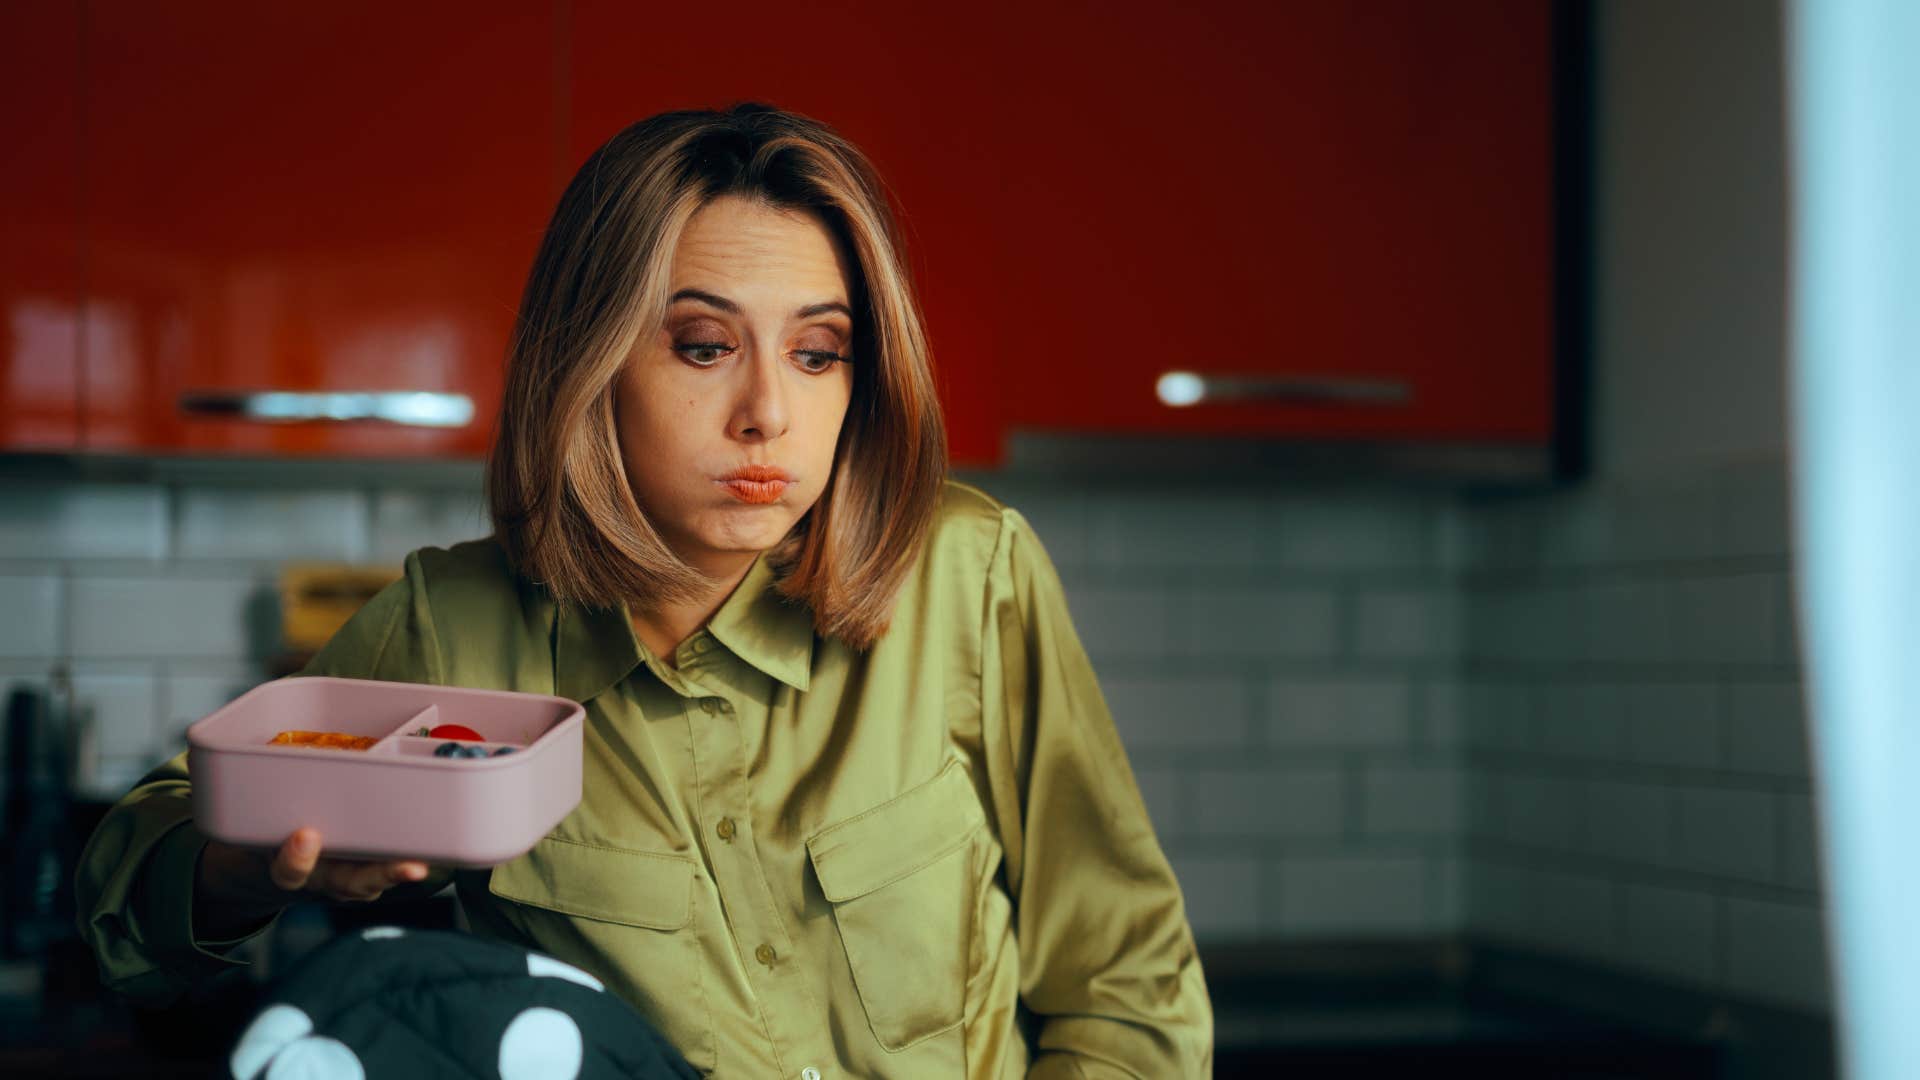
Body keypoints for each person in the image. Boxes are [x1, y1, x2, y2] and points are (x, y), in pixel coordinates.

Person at [74, 102, 1213, 1077]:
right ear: (593, 360)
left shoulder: (971, 574)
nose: (769, 411)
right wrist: (243, 868)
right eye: (704, 346)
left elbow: (1127, 984)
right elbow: (126, 902)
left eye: (819, 354)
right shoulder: (451, 625)